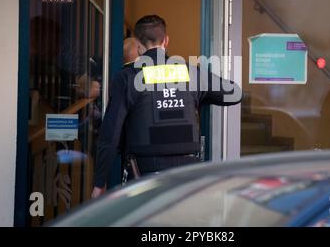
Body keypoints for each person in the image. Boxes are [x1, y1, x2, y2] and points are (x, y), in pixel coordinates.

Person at [91, 15, 242, 198]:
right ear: (166, 40)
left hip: (144, 174)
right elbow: (234, 93)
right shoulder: (191, 73)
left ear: (138, 45)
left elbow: (110, 134)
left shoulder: (127, 78)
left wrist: (100, 182)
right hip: (188, 176)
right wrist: (197, 95)